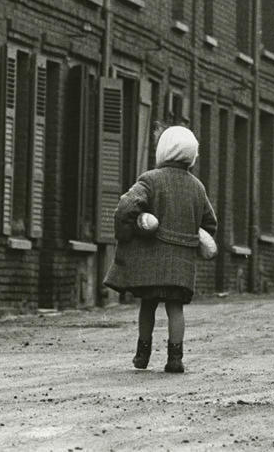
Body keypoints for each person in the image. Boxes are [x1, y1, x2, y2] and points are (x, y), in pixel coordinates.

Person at [103, 125, 217, 373]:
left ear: (163, 150)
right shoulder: (198, 187)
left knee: (148, 305)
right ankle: (175, 358)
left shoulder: (150, 180)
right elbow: (210, 223)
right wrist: (192, 234)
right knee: (175, 308)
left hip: (151, 261)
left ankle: (142, 355)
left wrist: (127, 232)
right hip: (182, 264)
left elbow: (127, 205)